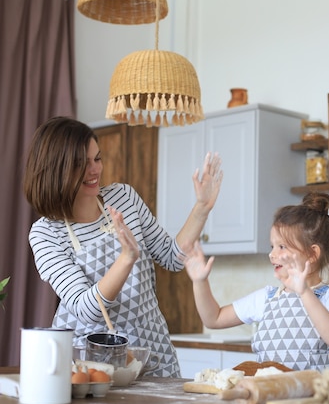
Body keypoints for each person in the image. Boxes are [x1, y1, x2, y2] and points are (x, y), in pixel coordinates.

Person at [23, 116, 223, 378]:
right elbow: (88, 309)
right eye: (81, 164)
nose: (94, 170)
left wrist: (202, 208)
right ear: (56, 169)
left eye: (97, 158)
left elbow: (172, 257)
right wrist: (126, 258)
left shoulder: (124, 198)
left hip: (150, 350)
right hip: (90, 366)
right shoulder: (46, 233)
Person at [184, 192, 329, 371]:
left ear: (312, 254)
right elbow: (214, 318)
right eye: (272, 246)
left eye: (282, 247)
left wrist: (304, 292)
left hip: (312, 396)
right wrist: (199, 282)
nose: (272, 254)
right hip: (270, 394)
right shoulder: (267, 298)